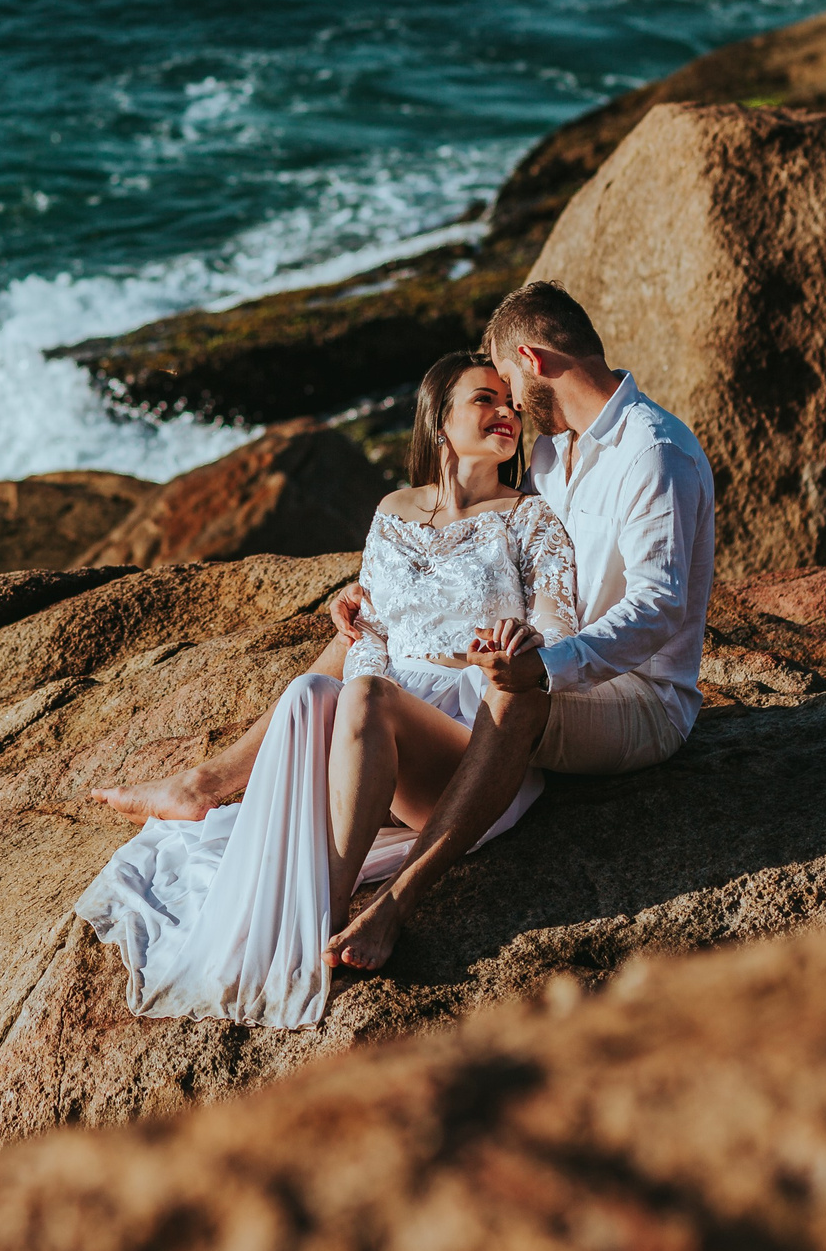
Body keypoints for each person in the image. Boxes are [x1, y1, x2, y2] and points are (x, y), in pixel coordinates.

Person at [76, 349, 580, 1027]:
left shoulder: (530, 518)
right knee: (310, 698)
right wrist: (356, 663)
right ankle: (212, 793)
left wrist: (522, 643)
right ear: (440, 423)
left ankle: (328, 915)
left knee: (364, 695)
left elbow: (556, 617)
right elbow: (371, 632)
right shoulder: (394, 511)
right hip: (378, 733)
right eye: (483, 400)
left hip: (466, 742)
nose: (505, 412)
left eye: (508, 401)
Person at [320, 278, 716, 972]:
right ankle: (312, 864)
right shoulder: (548, 454)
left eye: (503, 380)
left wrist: (545, 665)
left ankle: (397, 904)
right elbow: (502, 557)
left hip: (640, 700)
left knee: (511, 695)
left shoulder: (653, 452)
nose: (506, 405)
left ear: (530, 359)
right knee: (402, 692)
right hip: (553, 669)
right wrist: (380, 593)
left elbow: (658, 606)